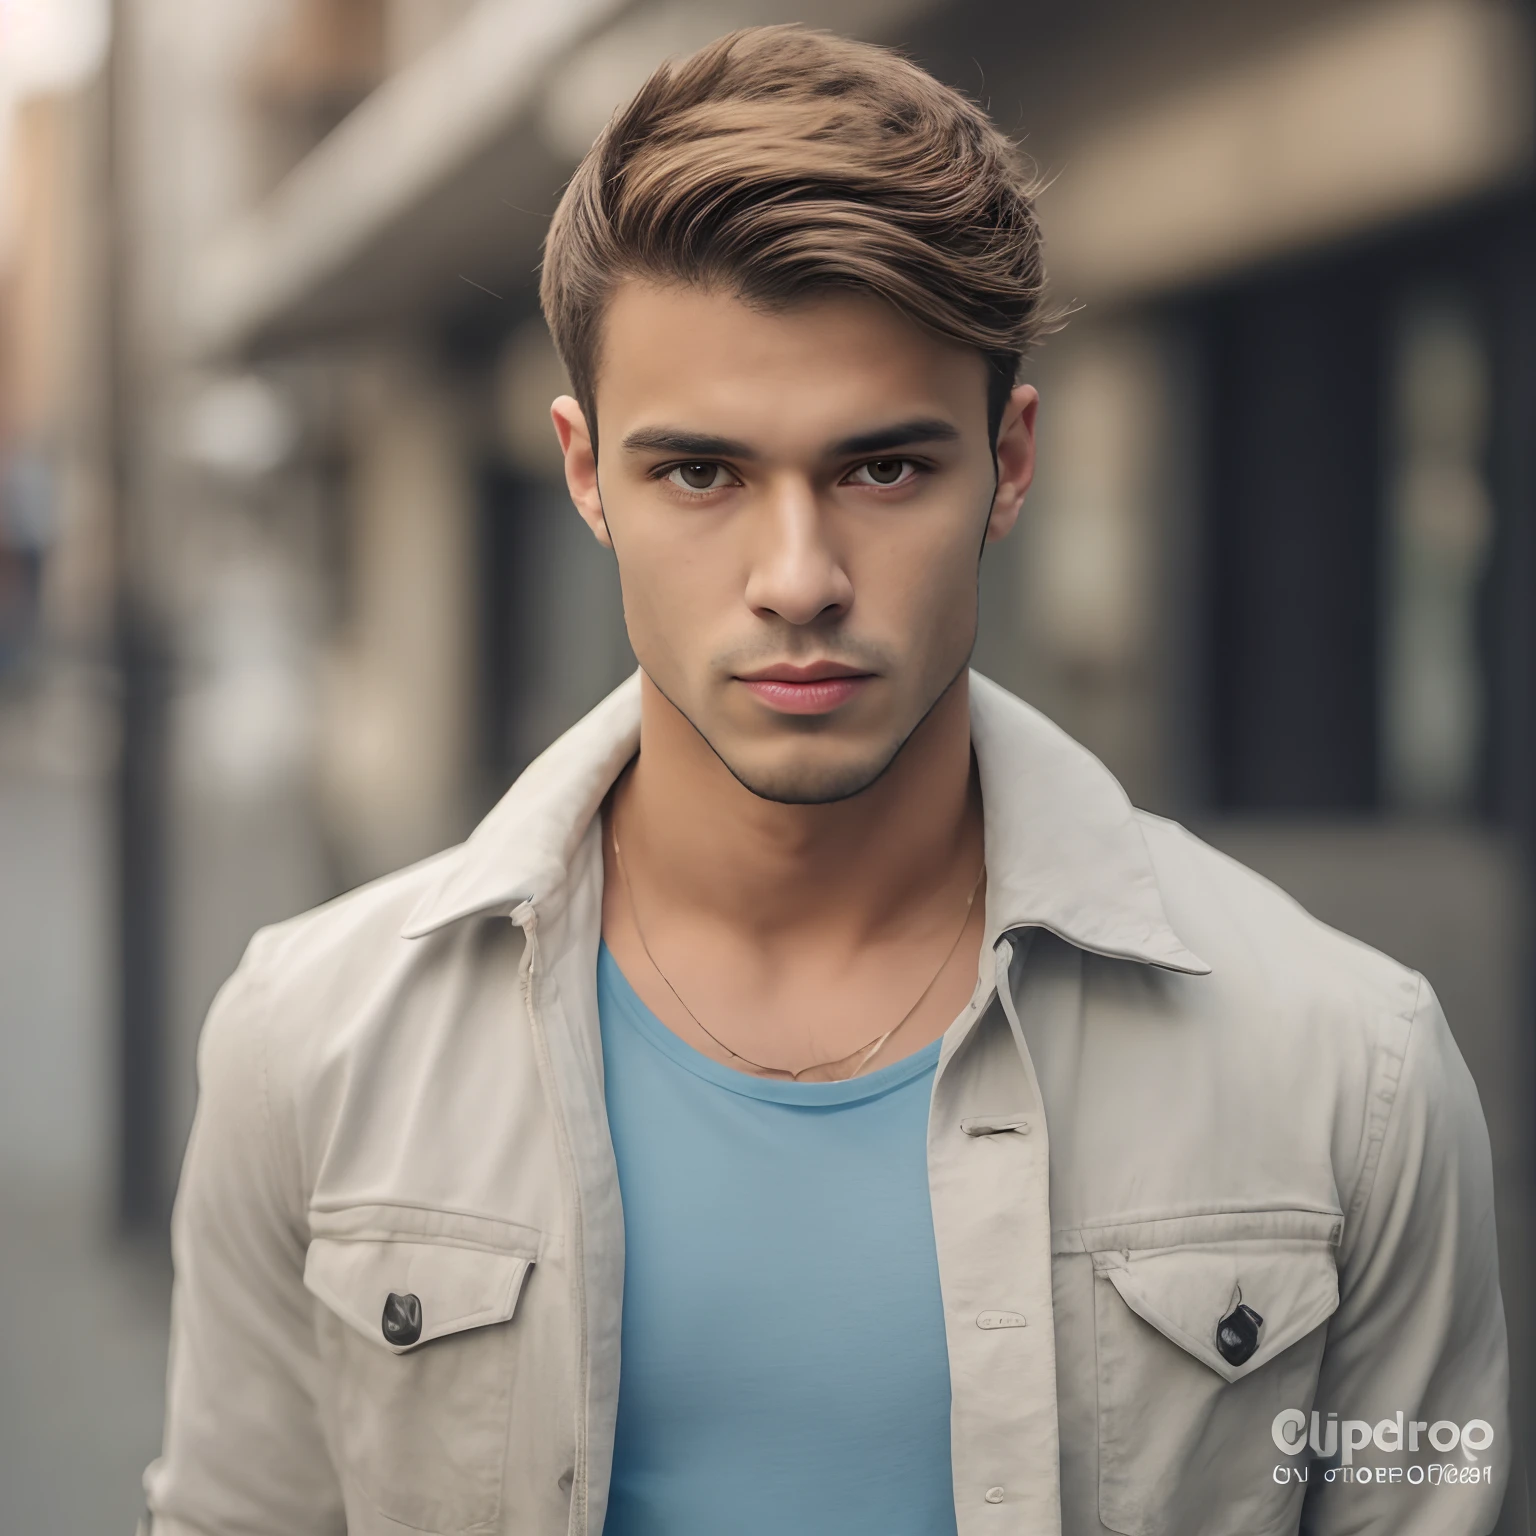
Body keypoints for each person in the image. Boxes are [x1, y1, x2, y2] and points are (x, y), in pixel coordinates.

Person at [142, 24, 1512, 1536]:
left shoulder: (1354, 1075)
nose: (798, 580)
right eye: (703, 473)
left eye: (882, 469)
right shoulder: (315, 1044)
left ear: (1011, 461)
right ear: (586, 474)